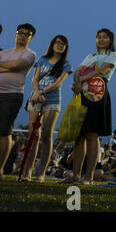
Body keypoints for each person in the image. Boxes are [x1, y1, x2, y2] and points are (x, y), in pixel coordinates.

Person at [61, 28, 116, 185]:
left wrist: (81, 80)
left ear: (110, 40)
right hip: (83, 94)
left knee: (92, 135)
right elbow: (77, 71)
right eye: (98, 37)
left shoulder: (112, 55)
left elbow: (102, 70)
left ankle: (89, 177)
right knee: (79, 136)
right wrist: (77, 81)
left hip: (98, 93)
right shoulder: (90, 56)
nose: (101, 39)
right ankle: (76, 175)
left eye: (105, 37)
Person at [20, 35, 73, 183]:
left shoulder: (66, 64)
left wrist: (43, 92)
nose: (60, 45)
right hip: (36, 97)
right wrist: (37, 92)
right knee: (33, 134)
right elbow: (34, 79)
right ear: (52, 44)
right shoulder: (42, 60)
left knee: (46, 135)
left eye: (63, 44)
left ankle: (41, 173)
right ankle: (27, 172)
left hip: (52, 99)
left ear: (65, 47)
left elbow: (58, 83)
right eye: (57, 42)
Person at [0, 23, 37, 181]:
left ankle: (0, 169)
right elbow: (12, 67)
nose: (22, 35)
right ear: (15, 34)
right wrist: (9, 68)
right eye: (20, 33)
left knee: (4, 131)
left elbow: (16, 65)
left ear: (31, 37)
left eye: (26, 34)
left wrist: (9, 67)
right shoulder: (5, 53)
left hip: (12, 94)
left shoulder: (30, 54)